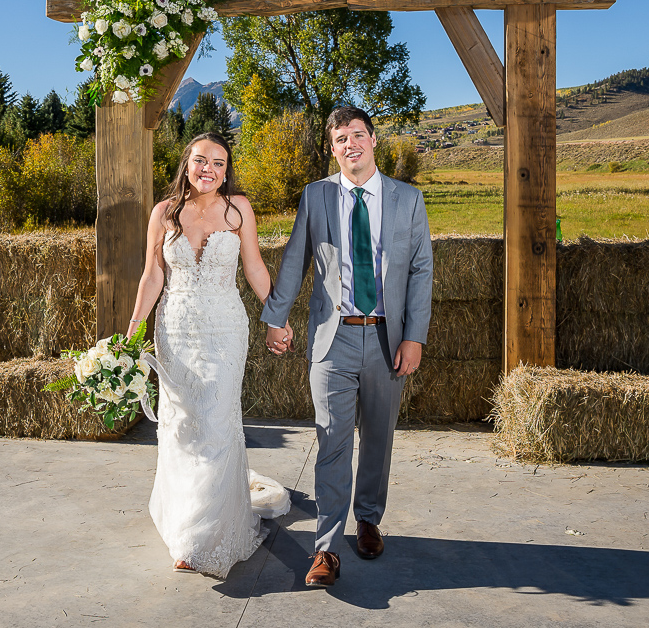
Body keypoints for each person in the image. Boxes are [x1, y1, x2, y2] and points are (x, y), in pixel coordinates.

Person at [261, 106, 433, 588]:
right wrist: (276, 318)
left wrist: (414, 336)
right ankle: (327, 549)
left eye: (358, 134)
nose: (350, 143)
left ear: (374, 140)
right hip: (331, 340)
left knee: (378, 438)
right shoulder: (315, 197)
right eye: (340, 138)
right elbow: (295, 259)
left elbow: (421, 269)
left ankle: (369, 520)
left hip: (386, 337)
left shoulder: (407, 199)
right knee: (332, 442)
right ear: (333, 148)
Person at [128, 132, 290, 577]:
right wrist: (130, 333)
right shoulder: (164, 213)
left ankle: (210, 534)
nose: (209, 170)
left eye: (219, 163)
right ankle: (185, 526)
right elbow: (152, 276)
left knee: (217, 421)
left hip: (224, 328)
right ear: (187, 163)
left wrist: (275, 316)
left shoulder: (238, 209)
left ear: (226, 169)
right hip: (174, 329)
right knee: (181, 425)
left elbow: (254, 265)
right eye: (201, 160)